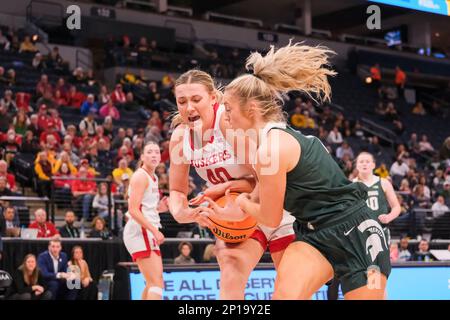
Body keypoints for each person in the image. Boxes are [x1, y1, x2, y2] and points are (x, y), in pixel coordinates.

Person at [209, 41, 390, 299]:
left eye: (228, 109)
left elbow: (270, 219)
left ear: (251, 109)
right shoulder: (278, 141)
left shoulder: (271, 149)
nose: (224, 117)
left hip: (359, 234)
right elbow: (260, 196)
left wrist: (243, 202)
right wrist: (228, 208)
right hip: (314, 235)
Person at [168, 69, 295, 300]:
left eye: (196, 100)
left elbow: (266, 178)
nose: (189, 108)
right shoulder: (179, 138)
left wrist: (222, 190)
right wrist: (183, 213)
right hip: (235, 211)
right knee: (230, 271)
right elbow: (177, 190)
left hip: (274, 203)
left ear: (213, 98)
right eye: (182, 101)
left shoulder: (227, 125)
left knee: (289, 290)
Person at [123, 141, 165, 300]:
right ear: (142, 157)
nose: (154, 155)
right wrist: (155, 231)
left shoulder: (153, 177)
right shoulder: (140, 176)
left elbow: (143, 207)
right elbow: (133, 210)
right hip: (141, 231)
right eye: (149, 152)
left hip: (145, 230)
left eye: (156, 152)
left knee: (152, 282)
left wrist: (159, 208)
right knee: (157, 283)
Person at [354, 152, 401, 244]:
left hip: (380, 230)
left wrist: (389, 217)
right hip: (359, 232)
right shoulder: (351, 184)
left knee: (382, 258)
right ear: (357, 166)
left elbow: (397, 207)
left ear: (373, 165)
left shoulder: (384, 183)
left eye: (367, 161)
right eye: (361, 161)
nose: (364, 164)